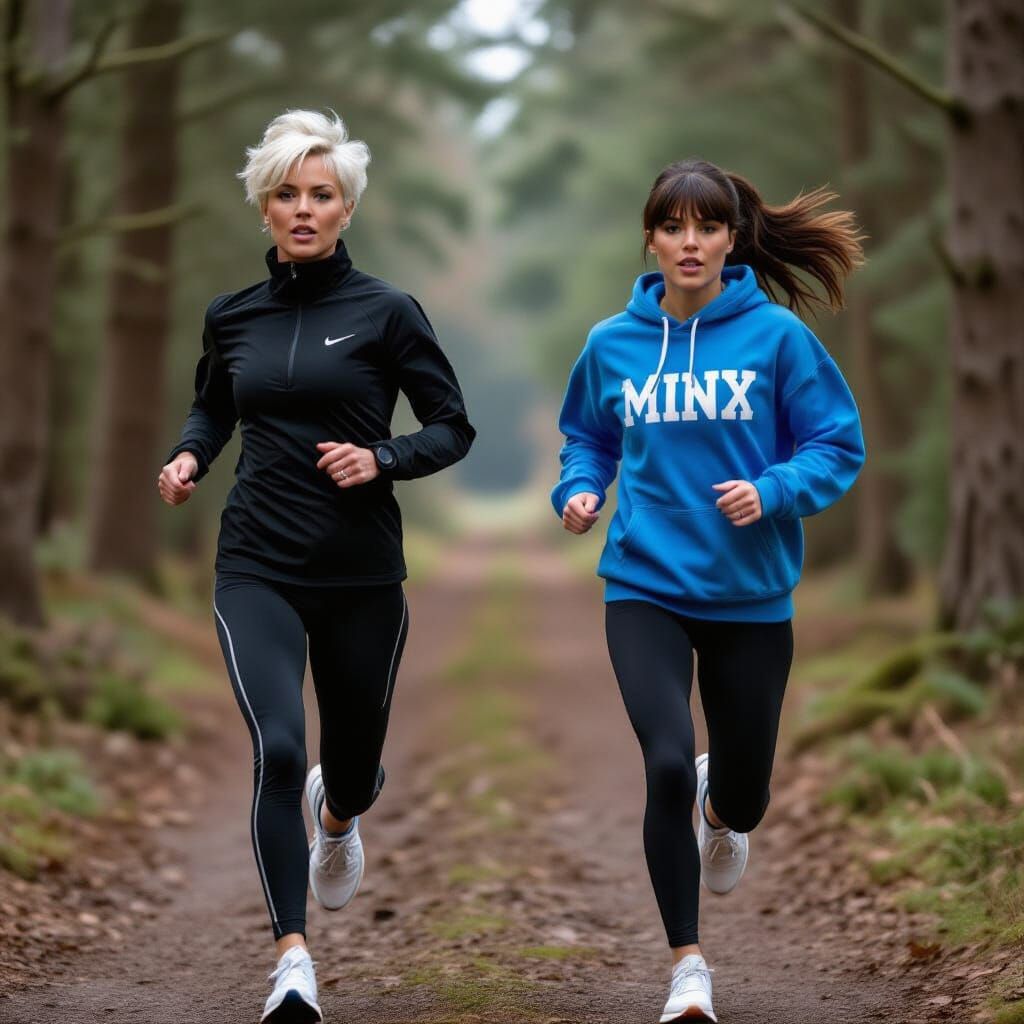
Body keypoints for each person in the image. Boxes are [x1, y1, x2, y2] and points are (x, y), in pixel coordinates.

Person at [158, 109, 474, 1023]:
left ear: (345, 210)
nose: (303, 209)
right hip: (255, 561)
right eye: (287, 194)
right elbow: (212, 409)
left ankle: (339, 819)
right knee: (277, 746)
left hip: (362, 574)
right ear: (265, 207)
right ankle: (291, 958)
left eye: (321, 196)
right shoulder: (232, 317)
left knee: (352, 769)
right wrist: (189, 458)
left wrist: (383, 458)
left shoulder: (386, 311)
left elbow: (453, 427)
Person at [552, 158, 865, 1023]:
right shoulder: (612, 343)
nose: (691, 243)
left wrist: (771, 490)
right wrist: (579, 489)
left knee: (746, 790)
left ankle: (725, 810)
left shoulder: (777, 341)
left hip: (751, 596)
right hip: (643, 586)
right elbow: (587, 436)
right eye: (673, 227)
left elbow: (837, 447)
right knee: (661, 766)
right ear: (650, 237)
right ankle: (688, 966)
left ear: (732, 239)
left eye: (708, 228)